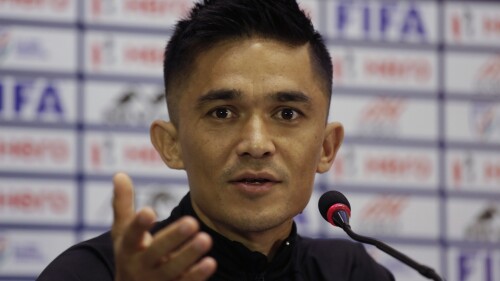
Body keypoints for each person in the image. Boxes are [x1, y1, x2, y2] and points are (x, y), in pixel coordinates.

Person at [38, 0, 394, 280]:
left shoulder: (351, 272)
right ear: (171, 145)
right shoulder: (92, 273)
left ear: (326, 148)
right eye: (223, 113)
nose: (256, 144)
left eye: (287, 113)